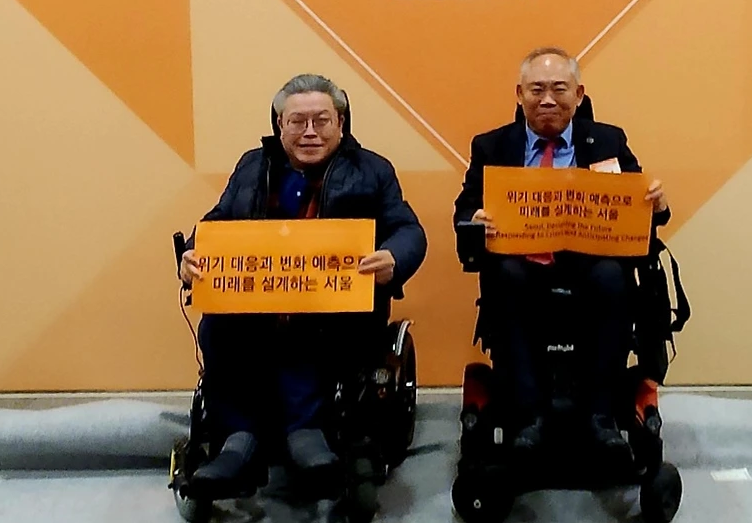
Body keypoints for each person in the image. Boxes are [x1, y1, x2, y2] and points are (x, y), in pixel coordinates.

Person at [178, 73, 427, 496]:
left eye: (321, 120)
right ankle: (239, 439)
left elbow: (408, 230)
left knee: (308, 329)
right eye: (297, 121)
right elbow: (218, 222)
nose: (309, 131)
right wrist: (192, 253)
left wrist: (393, 257)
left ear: (341, 123)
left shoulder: (372, 170)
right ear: (280, 125)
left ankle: (305, 432)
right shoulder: (252, 167)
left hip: (334, 308)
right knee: (217, 328)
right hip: (257, 305)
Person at [453, 46, 670, 465]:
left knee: (612, 277)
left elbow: (642, 211)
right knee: (507, 276)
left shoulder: (608, 141)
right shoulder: (493, 146)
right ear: (520, 94)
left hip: (591, 263)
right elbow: (464, 211)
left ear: (579, 94)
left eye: (559, 89)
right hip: (522, 264)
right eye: (537, 90)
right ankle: (529, 416)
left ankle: (601, 417)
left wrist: (657, 205)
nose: (548, 100)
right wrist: (475, 219)